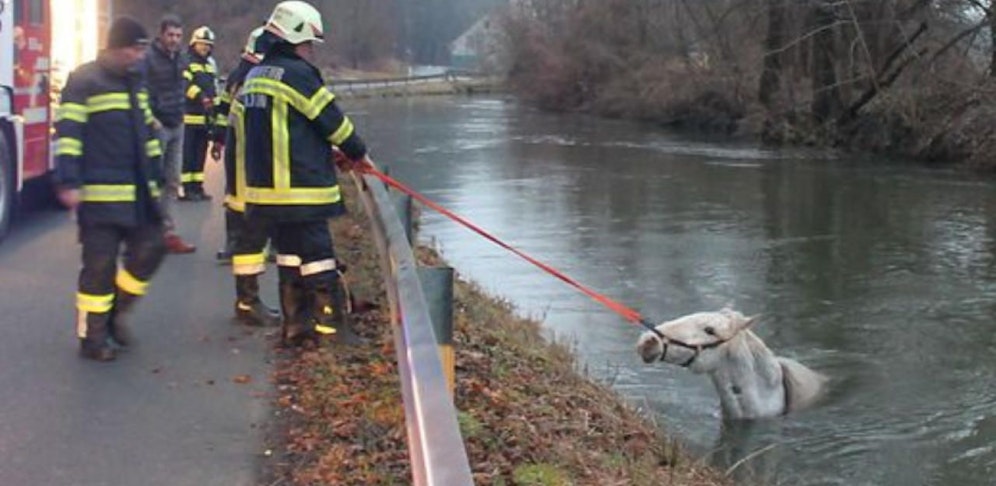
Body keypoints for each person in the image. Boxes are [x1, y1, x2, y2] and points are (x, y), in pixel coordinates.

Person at [237, 0, 372, 346]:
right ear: (296, 36)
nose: (310, 51)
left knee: (289, 257)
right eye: (308, 43)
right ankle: (334, 330)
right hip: (301, 189)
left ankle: (296, 328)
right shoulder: (298, 75)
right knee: (318, 258)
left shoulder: (255, 75)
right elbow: (333, 122)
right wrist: (357, 154)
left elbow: (286, 130)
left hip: (264, 192)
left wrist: (323, 151)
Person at [54, 16, 167, 362]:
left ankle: (116, 311)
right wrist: (69, 181)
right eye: (134, 49)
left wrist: (158, 179)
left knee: (152, 249)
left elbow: (146, 135)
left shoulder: (137, 83)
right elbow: (68, 134)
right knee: (99, 268)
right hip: (100, 196)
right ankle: (93, 337)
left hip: (138, 196)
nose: (139, 57)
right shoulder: (84, 80)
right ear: (117, 48)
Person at [218, 26, 280, 327]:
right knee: (251, 243)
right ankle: (248, 303)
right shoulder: (256, 82)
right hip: (249, 177)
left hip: (239, 173)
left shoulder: (244, 78)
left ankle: (246, 301)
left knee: (247, 241)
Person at [141, 14, 196, 253]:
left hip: (177, 125)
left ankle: (167, 232)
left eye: (178, 36)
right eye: (170, 35)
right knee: (153, 181)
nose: (174, 40)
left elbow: (182, 87)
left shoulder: (181, 58)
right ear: (161, 34)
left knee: (172, 181)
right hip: (158, 127)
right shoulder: (149, 59)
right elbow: (139, 91)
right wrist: (151, 121)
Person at [180, 26, 221, 201]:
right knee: (189, 154)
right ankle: (187, 189)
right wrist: (201, 96)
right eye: (202, 44)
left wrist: (217, 107)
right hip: (190, 117)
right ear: (194, 44)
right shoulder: (187, 62)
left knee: (200, 154)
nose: (205, 48)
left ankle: (198, 187)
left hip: (205, 118)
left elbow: (215, 88)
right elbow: (184, 86)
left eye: (208, 45)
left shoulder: (210, 66)